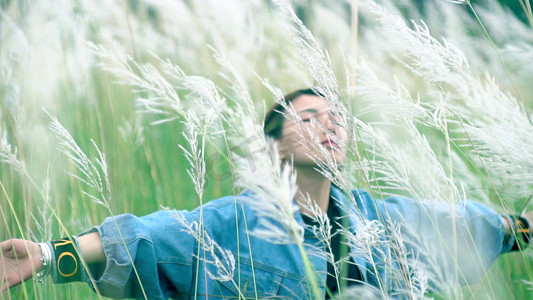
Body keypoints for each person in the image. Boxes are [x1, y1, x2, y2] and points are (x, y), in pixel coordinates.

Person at [1, 89, 531, 299]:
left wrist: (523, 228)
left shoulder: (376, 216)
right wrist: (50, 256)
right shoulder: (240, 221)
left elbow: (461, 226)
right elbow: (151, 237)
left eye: (336, 120)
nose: (330, 127)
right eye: (308, 119)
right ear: (276, 147)